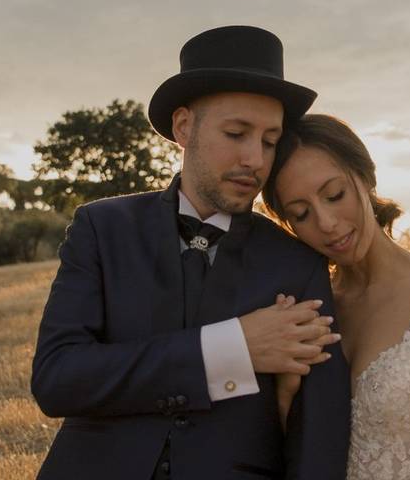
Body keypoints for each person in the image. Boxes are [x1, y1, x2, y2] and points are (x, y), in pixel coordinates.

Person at [31, 26, 351, 479]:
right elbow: (57, 380)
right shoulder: (101, 228)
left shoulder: (298, 264)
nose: (256, 160)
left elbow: (318, 435)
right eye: (237, 133)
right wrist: (232, 349)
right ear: (184, 127)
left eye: (268, 140)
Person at [262, 114, 410, 480]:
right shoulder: (301, 312)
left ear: (366, 177)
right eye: (301, 213)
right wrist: (285, 391)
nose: (326, 223)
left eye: (334, 195)